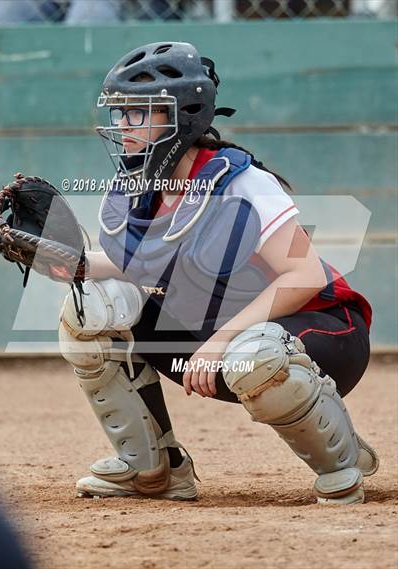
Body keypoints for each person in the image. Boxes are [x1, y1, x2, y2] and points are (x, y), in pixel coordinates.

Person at [59, 41, 379, 505]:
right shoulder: (144, 187)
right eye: (118, 112)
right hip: (231, 345)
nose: (121, 126)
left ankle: (342, 462)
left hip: (324, 334)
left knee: (258, 351)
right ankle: (153, 470)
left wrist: (221, 340)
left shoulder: (243, 182)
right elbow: (142, 267)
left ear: (182, 116)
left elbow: (305, 275)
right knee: (91, 308)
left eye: (137, 113)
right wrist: (73, 263)